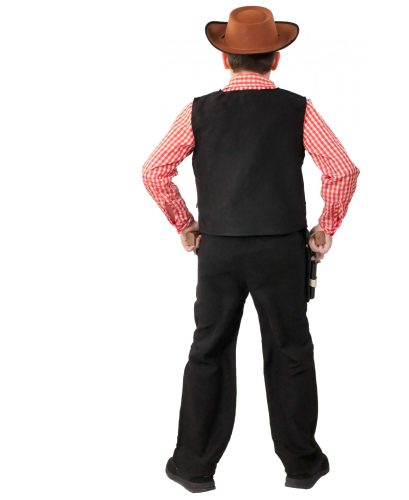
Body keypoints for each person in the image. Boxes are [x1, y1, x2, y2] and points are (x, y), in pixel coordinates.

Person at [142, 5, 360, 493]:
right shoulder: (298, 108)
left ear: (225, 59)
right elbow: (342, 169)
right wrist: (326, 226)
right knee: (290, 350)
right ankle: (302, 465)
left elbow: (154, 170)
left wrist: (185, 223)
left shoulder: (197, 110)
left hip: (218, 250)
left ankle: (193, 467)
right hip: (282, 249)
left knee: (208, 350)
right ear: (276, 59)